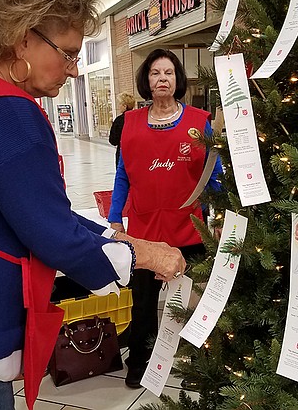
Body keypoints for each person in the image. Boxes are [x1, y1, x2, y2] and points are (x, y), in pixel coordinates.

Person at [0, 0, 185, 410]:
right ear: (22, 41)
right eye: (69, 53)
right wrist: (142, 251)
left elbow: (25, 210)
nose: (74, 68)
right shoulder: (9, 113)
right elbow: (50, 232)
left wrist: (116, 235)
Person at [108, 48, 223, 388]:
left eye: (169, 73)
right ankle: (140, 363)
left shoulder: (198, 122)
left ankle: (197, 366)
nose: (162, 78)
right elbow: (122, 176)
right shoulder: (129, 124)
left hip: (190, 227)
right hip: (144, 233)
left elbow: (213, 174)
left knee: (193, 302)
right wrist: (116, 220)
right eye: (155, 73)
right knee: (143, 304)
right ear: (146, 80)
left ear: (177, 80)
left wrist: (218, 214)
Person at [109, 92, 136, 168]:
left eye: (120, 104)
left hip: (123, 153)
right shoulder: (138, 118)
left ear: (125, 106)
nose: (119, 106)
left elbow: (113, 140)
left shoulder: (119, 120)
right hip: (136, 152)